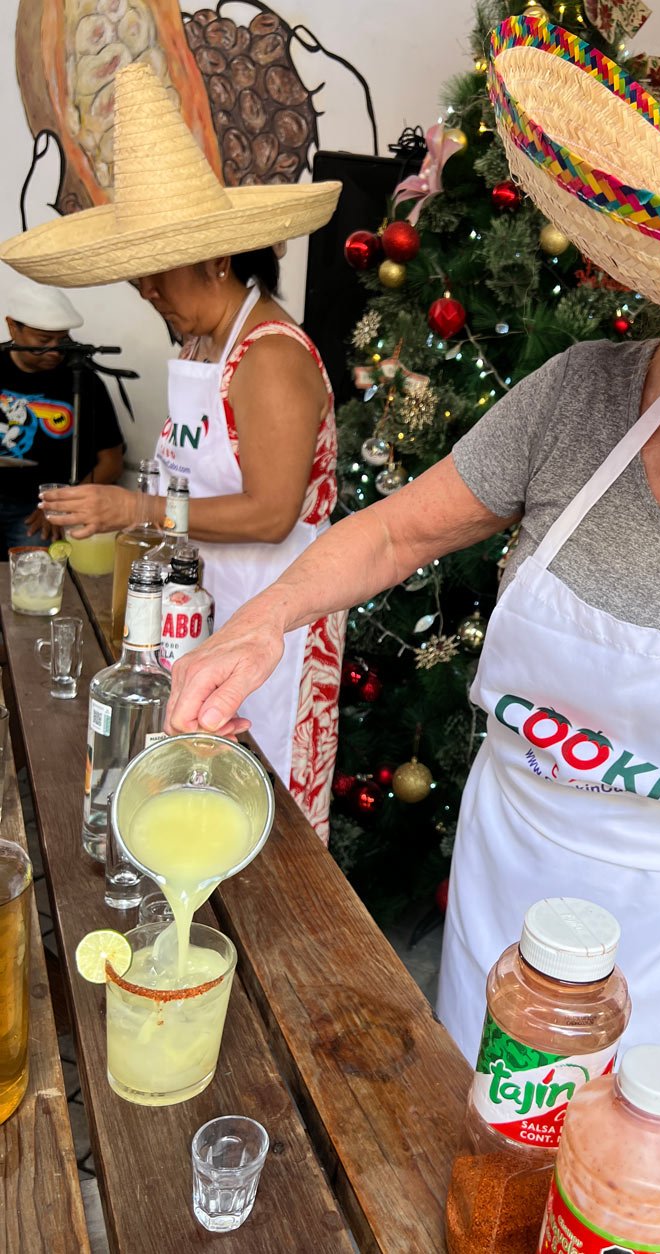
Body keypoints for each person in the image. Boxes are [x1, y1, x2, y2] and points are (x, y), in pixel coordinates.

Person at [49, 0, 660, 1195]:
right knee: (474, 1156)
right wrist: (260, 621)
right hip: (516, 867)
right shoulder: (583, 398)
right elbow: (393, 531)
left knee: (623, 1190)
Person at [0, 62, 344, 838]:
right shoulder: (203, 342)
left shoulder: (271, 355)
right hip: (210, 600)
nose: (147, 294)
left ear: (216, 258)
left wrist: (134, 506)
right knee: (198, 793)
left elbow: (269, 513)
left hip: (277, 613)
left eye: (157, 276)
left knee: (263, 804)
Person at [0, 278, 124, 554]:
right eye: (44, 340)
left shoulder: (83, 380)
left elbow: (112, 462)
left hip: (43, 511)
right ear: (12, 326)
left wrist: (63, 506)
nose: (56, 350)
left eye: (62, 339)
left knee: (37, 578)